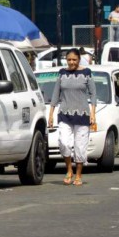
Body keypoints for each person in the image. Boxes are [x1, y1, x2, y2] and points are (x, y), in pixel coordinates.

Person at [48, 48, 97, 187]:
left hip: (82, 115)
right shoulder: (62, 73)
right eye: (69, 60)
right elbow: (55, 95)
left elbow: (93, 95)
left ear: (79, 59)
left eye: (74, 60)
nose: (71, 62)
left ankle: (79, 174)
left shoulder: (87, 73)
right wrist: (51, 115)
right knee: (64, 143)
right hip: (64, 114)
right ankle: (69, 169)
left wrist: (93, 114)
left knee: (80, 147)